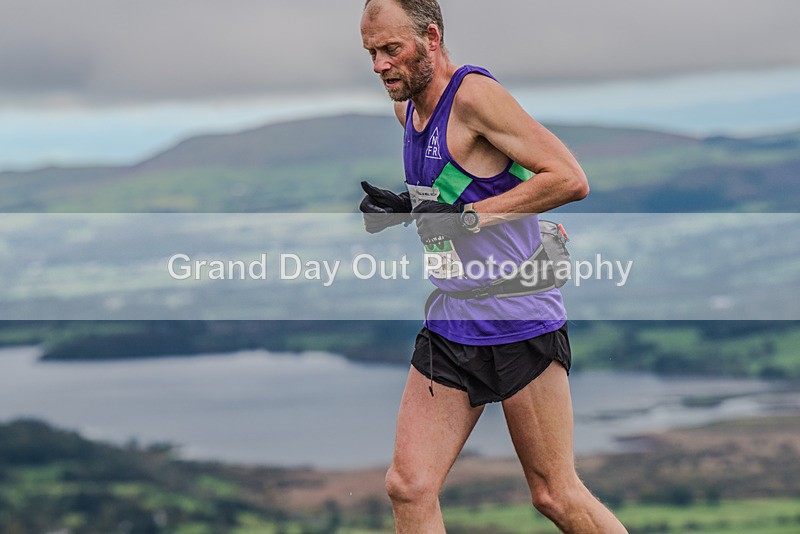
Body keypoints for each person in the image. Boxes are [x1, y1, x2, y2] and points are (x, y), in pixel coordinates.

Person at [359, 1, 628, 532]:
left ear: (431, 37)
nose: (380, 65)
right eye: (371, 52)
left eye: (391, 49)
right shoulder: (408, 111)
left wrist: (467, 219)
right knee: (409, 487)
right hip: (452, 318)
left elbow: (569, 178)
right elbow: (465, 187)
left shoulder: (475, 97)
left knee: (554, 494)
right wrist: (407, 208)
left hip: (518, 316)